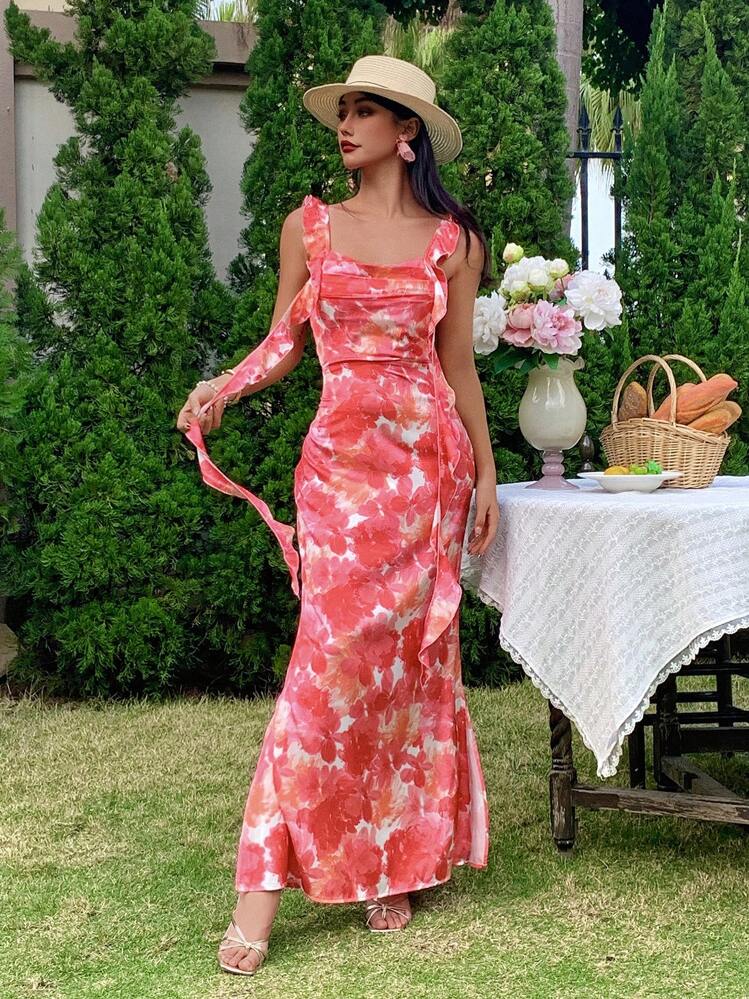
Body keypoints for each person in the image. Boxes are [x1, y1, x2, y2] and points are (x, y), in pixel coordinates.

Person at [176, 54, 500, 977]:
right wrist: (223, 387)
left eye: (364, 112)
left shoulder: (454, 243)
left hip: (425, 477)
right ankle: (259, 891)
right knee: (325, 671)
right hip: (340, 479)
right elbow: (283, 342)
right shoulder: (309, 227)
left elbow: (457, 365)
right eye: (343, 112)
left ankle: (390, 859)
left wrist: (483, 474)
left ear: (407, 133)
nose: (345, 126)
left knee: (405, 673)